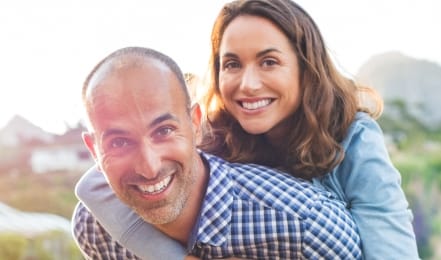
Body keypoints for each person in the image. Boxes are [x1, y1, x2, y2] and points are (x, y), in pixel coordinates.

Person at [76, 0, 419, 259]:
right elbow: (94, 185)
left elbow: (391, 244)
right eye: (232, 64)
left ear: (305, 66)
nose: (248, 84)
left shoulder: (353, 137)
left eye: (268, 62)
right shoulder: (213, 129)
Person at [72, 46, 362, 259]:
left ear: (196, 124)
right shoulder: (95, 228)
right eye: (119, 142)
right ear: (94, 151)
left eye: (164, 131)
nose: (149, 167)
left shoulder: (306, 227)